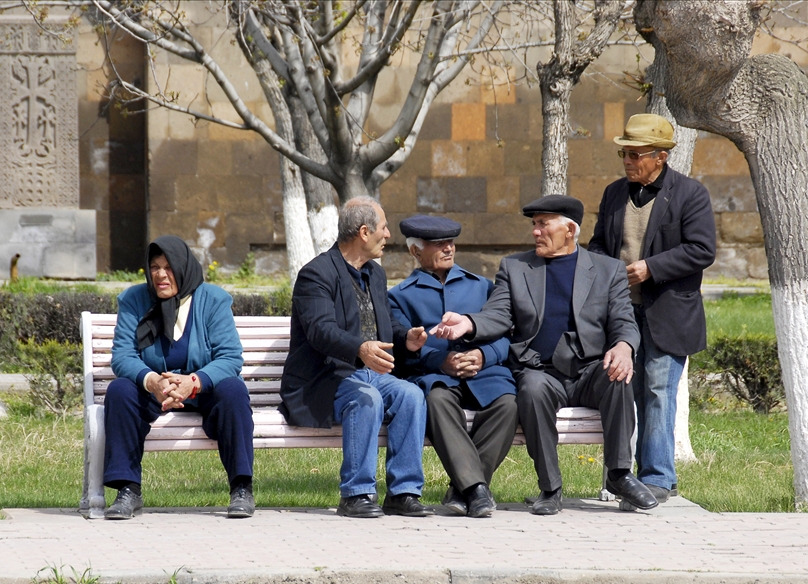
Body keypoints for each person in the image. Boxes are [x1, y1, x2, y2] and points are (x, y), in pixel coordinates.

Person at [431, 195, 658, 515]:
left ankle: (619, 474)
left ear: (569, 230)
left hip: (589, 369)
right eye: (534, 225)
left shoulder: (608, 270)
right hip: (540, 371)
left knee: (618, 374)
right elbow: (497, 314)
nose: (536, 231)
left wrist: (624, 346)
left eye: (543, 224)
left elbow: (624, 321)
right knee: (532, 389)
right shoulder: (516, 267)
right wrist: (468, 323)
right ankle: (550, 488)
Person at [588, 114, 716, 503]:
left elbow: (701, 250)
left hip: (668, 312)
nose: (627, 161)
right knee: (624, 391)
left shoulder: (690, 194)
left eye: (635, 154)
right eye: (624, 153)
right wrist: (603, 273)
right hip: (622, 313)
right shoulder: (613, 194)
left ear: (660, 157)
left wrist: (650, 268)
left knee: (659, 391)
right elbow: (597, 246)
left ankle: (658, 478)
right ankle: (624, 476)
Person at [279, 197, 433, 519]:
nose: (389, 234)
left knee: (411, 395)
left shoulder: (374, 274)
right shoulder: (315, 274)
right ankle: (356, 493)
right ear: (364, 232)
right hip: (325, 379)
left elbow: (385, 323)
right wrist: (360, 348)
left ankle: (403, 492)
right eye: (384, 227)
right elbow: (321, 330)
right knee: (368, 398)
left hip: (368, 376)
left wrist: (407, 338)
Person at [104, 235, 254, 520]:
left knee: (233, 390)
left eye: (168, 267)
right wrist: (152, 381)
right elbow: (122, 356)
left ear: (183, 267)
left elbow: (230, 357)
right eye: (155, 267)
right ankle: (127, 489)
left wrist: (193, 382)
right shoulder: (134, 300)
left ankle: (241, 488)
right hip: (155, 392)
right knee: (120, 391)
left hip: (202, 392)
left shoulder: (212, 300)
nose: (160, 274)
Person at [388, 215, 517, 519]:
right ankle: (476, 490)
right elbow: (404, 350)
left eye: (451, 242)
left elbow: (506, 337)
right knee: (436, 400)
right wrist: (440, 361)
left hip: (485, 374)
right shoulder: (399, 297)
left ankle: (464, 489)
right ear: (415, 252)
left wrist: (484, 356)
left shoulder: (484, 287)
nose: (449, 248)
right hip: (436, 378)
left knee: (508, 405)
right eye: (439, 244)